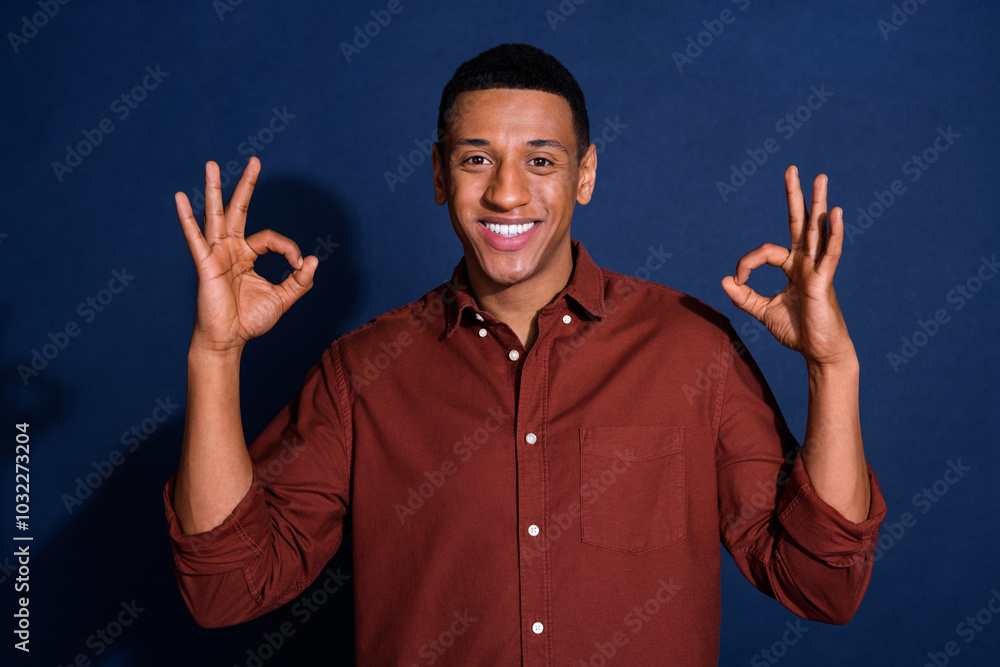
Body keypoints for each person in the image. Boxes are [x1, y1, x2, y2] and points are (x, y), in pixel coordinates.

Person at [164, 43, 886, 665]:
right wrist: (215, 354)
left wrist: (832, 368)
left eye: (541, 160)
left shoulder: (691, 347)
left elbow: (821, 583)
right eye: (478, 159)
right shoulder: (363, 370)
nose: (508, 193)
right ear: (441, 174)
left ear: (586, 174)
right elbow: (227, 588)